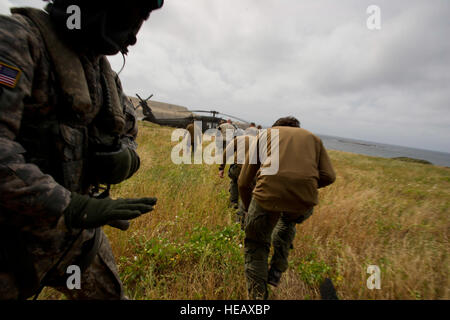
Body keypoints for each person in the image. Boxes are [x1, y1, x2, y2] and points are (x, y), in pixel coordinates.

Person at [0, 0, 164, 300]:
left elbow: (129, 130)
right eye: (130, 19)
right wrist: (72, 207)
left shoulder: (103, 74)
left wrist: (126, 158)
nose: (133, 37)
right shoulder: (16, 41)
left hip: (77, 240)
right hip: (11, 243)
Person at [238, 116, 336, 299]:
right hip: (303, 199)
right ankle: (277, 269)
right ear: (297, 128)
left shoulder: (266, 134)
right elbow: (329, 176)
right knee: (287, 221)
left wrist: (247, 208)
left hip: (267, 194)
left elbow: (243, 182)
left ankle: (258, 299)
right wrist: (304, 186)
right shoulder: (313, 138)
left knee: (256, 244)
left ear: (277, 126)